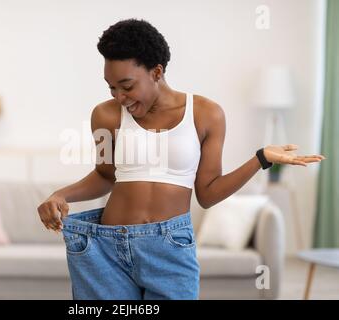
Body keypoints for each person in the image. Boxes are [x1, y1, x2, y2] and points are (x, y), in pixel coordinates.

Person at [37, 18, 326, 300]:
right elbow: (104, 175)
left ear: (157, 72)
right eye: (111, 87)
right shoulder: (105, 114)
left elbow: (208, 193)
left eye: (127, 86)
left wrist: (260, 159)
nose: (119, 96)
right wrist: (61, 194)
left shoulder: (206, 114)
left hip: (170, 246)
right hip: (105, 247)